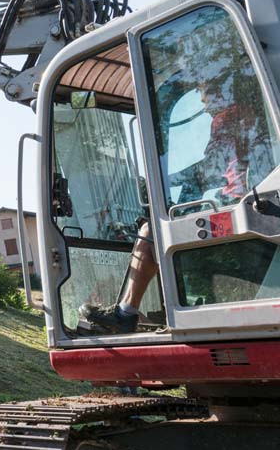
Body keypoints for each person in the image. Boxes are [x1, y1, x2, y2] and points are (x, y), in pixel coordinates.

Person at [79, 78, 273, 334]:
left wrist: (160, 183)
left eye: (204, 99)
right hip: (248, 209)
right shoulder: (253, 118)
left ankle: (126, 313)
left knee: (151, 233)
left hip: (236, 215)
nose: (204, 107)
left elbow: (207, 170)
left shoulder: (229, 118)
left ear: (219, 93)